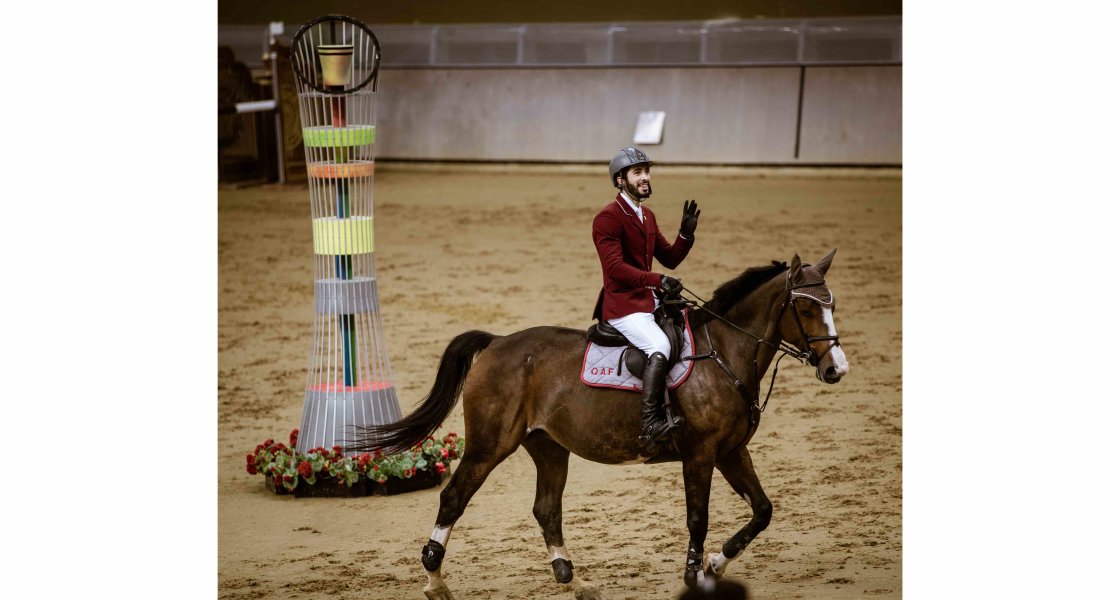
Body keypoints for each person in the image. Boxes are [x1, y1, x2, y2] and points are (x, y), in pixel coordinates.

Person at [592, 147, 701, 453]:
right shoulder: (607, 218)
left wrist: (685, 235)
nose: (645, 178)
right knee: (660, 346)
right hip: (623, 306)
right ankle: (651, 422)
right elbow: (615, 269)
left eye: (647, 172)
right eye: (637, 173)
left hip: (647, 300)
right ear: (620, 180)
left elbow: (670, 258)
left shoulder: (647, 215)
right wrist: (656, 280)